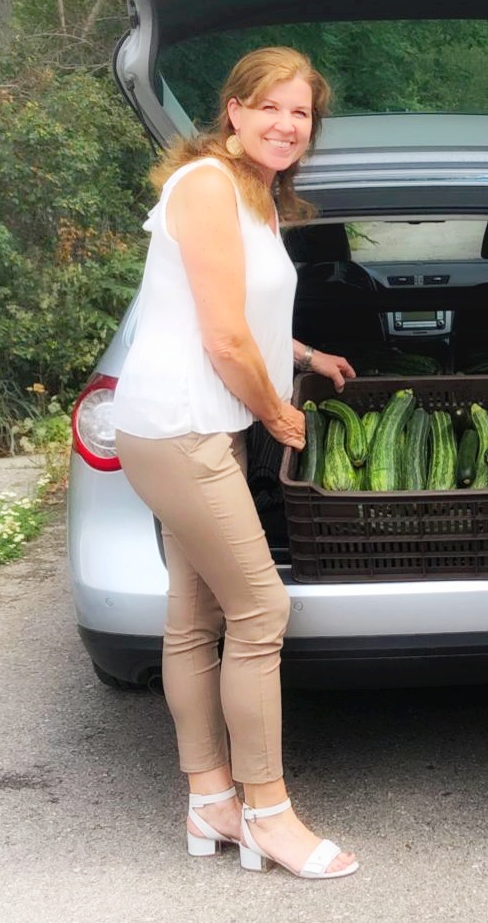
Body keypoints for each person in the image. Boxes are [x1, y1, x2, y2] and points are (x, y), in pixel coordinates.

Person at [112, 47, 359, 880]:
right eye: (273, 107)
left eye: (302, 114)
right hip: (182, 428)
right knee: (261, 611)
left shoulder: (248, 191)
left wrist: (303, 352)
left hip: (183, 426)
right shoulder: (209, 186)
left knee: (194, 616)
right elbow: (220, 340)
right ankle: (269, 814)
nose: (287, 125)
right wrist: (276, 408)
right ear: (234, 109)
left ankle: (209, 799)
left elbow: (226, 309)